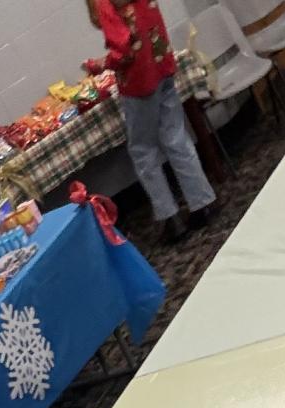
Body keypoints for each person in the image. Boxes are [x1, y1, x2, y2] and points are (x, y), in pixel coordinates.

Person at [84, 0, 217, 244]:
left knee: (143, 151)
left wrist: (99, 65)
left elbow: (123, 50)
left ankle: (171, 219)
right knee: (176, 138)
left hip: (139, 81)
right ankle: (203, 204)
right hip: (162, 64)